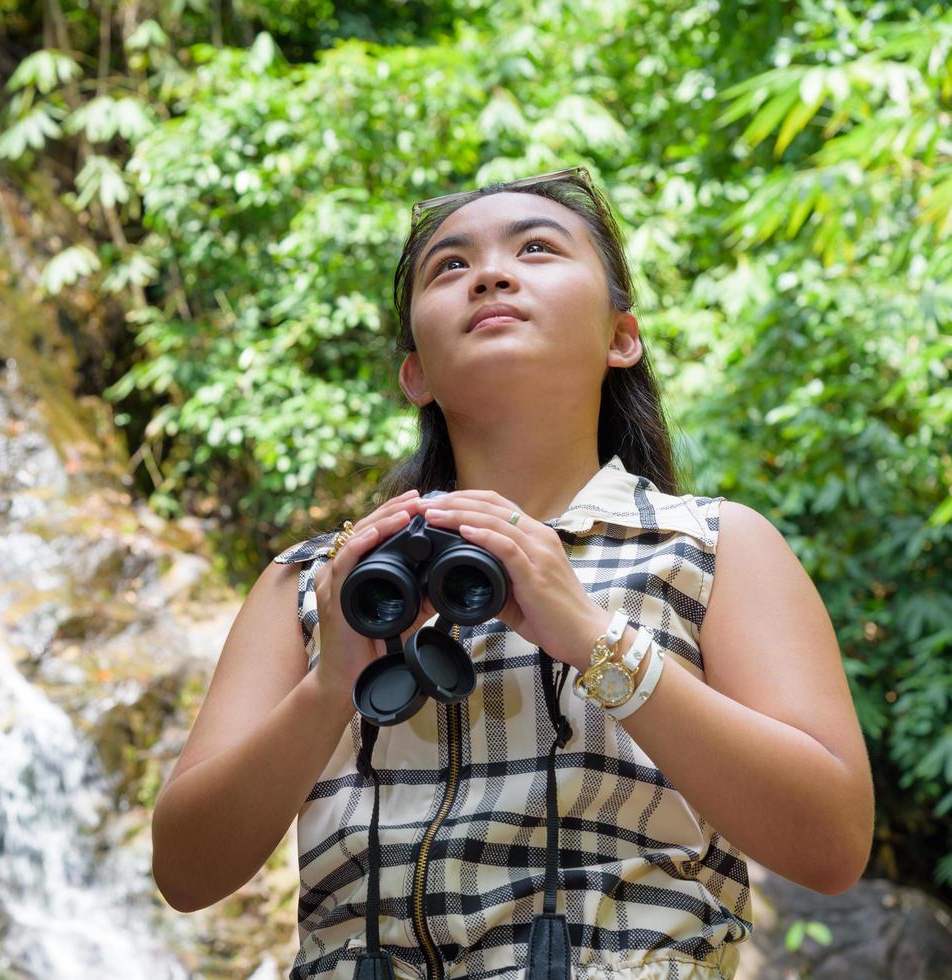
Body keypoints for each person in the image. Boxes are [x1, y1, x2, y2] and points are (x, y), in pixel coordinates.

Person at [150, 166, 874, 980]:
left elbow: (831, 845)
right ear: (415, 374)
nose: (490, 273)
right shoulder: (322, 582)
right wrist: (330, 685)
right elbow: (186, 871)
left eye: (536, 248)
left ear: (619, 339)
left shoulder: (714, 545)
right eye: (449, 266)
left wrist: (597, 641)